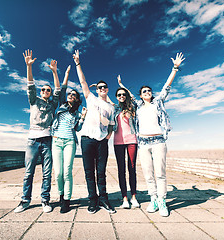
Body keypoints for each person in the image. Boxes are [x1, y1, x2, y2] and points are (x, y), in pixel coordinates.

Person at [119, 52, 185, 217]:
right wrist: (122, 84)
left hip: (158, 141)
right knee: (148, 173)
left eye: (149, 90)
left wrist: (175, 68)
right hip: (143, 143)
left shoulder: (158, 102)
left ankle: (162, 201)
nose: (147, 92)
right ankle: (153, 199)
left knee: (160, 173)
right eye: (144, 91)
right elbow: (129, 96)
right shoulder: (138, 106)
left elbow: (166, 87)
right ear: (141, 95)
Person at [14, 49, 60, 213]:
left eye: (48, 90)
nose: (46, 92)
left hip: (47, 140)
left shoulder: (52, 104)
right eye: (44, 90)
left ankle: (45, 201)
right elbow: (30, 85)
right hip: (32, 141)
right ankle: (25, 201)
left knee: (47, 174)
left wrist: (55, 72)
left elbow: (58, 90)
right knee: (28, 173)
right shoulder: (34, 100)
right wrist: (28, 66)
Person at [72, 50, 116, 214]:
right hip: (87, 140)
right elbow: (82, 81)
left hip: (102, 142)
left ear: (107, 89)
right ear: (97, 89)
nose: (102, 89)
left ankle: (104, 199)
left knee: (102, 172)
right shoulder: (91, 98)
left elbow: (111, 123)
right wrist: (78, 63)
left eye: (105, 87)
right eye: (100, 87)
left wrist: (108, 135)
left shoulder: (111, 107)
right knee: (89, 172)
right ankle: (93, 200)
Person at [51, 65, 87, 214]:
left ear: (77, 99)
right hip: (57, 141)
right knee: (58, 172)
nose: (71, 95)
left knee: (67, 171)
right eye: (70, 94)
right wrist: (65, 73)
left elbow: (77, 129)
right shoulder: (61, 105)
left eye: (74, 95)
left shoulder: (77, 113)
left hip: (69, 142)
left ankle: (67, 199)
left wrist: (83, 117)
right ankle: (61, 194)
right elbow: (62, 88)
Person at [113, 76, 140, 209]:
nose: (122, 96)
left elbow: (133, 98)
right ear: (116, 97)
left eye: (123, 94)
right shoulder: (115, 109)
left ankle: (134, 196)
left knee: (132, 168)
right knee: (121, 170)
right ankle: (124, 198)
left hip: (131, 141)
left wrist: (121, 84)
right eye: (119, 95)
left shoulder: (132, 107)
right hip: (118, 142)